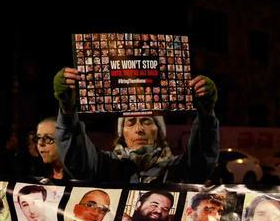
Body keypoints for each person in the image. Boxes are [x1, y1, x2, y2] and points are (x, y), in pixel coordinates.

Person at [53, 67, 218, 184]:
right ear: (122, 133)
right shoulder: (103, 165)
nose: (139, 129)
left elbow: (202, 159)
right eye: (130, 122)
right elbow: (76, 159)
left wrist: (206, 114)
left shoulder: (178, 169)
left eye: (147, 121)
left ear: (159, 132)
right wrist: (67, 111)